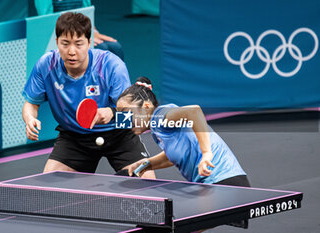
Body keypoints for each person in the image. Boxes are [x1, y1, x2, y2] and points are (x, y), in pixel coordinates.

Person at [22, 12, 155, 179]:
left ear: (89, 43)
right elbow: (31, 104)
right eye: (65, 43)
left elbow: (132, 117)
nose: (71, 51)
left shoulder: (111, 66)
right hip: (75, 137)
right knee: (50, 184)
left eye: (78, 44)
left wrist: (111, 113)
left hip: (119, 134)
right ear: (56, 43)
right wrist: (30, 119)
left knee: (146, 182)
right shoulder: (46, 65)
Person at [117, 76, 250, 187]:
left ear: (146, 107)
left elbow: (194, 111)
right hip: (220, 182)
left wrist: (207, 154)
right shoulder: (156, 129)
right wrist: (145, 164)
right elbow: (176, 155)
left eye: (126, 112)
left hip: (223, 182)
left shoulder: (160, 116)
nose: (124, 119)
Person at [34, 0, 124, 60]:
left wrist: (93, 31)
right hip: (58, 35)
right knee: (101, 49)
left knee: (115, 48)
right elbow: (47, 21)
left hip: (81, 31)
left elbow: (87, 13)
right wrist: (81, 36)